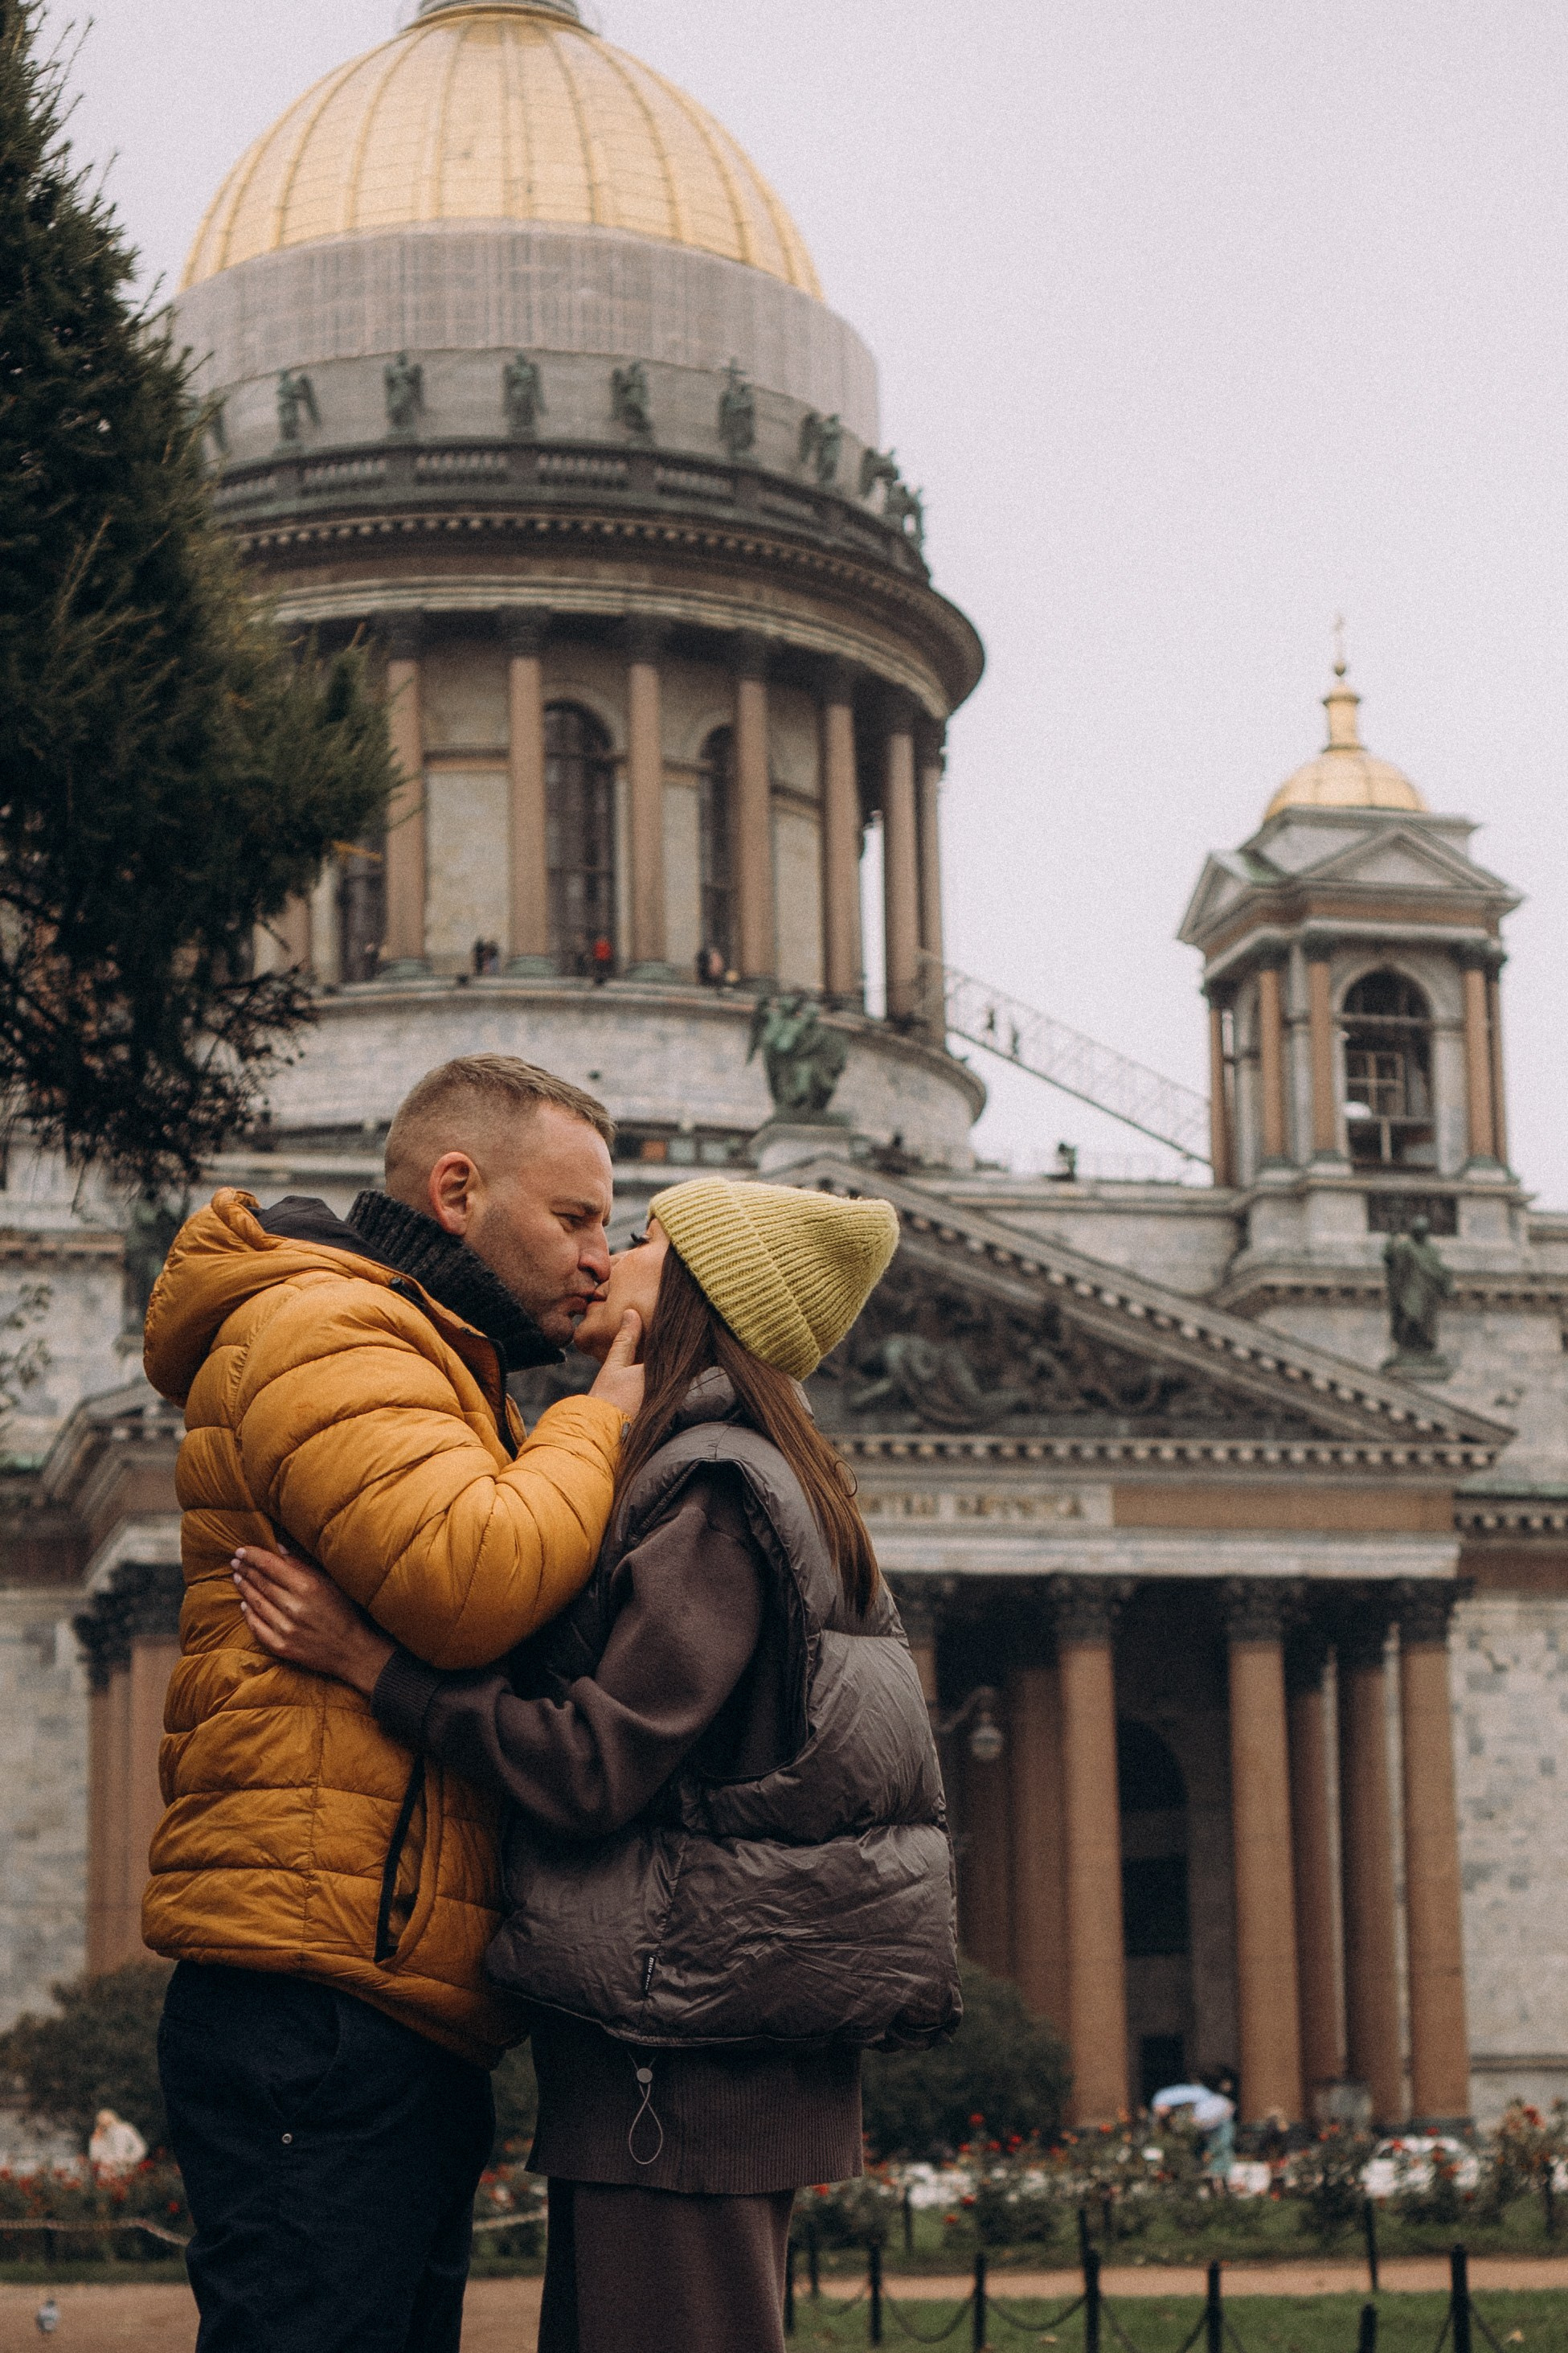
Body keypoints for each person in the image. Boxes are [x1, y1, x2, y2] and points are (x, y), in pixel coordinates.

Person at [233, 1176, 960, 2353]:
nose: (605, 1256)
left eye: (641, 1239)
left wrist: (375, 1667)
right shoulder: (722, 1468)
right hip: (671, 2060)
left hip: (676, 2073)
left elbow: (594, 1765)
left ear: (694, 1292)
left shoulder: (715, 1490)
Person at [140, 1055, 645, 2353]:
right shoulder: (333, 1325)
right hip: (320, 1994)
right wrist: (609, 1415)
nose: (600, 1258)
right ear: (459, 1189)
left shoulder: (432, 1353)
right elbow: (473, 1581)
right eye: (577, 1219)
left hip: (377, 1979)